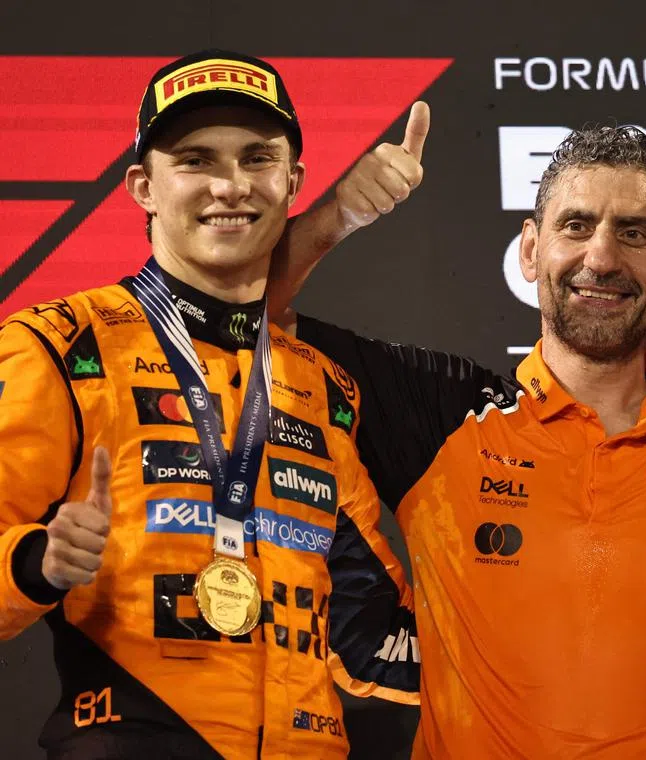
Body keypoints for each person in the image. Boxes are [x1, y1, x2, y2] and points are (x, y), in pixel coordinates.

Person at [272, 123, 646, 758]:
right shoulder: (443, 414)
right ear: (529, 250)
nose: (601, 258)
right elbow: (241, 314)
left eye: (634, 232)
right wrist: (335, 218)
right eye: (576, 226)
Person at [0, 50, 418, 759]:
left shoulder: (323, 388)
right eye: (195, 159)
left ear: (293, 182)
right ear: (143, 187)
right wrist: (39, 562)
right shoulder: (59, 348)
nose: (231, 186)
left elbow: (368, 622)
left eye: (257, 158)